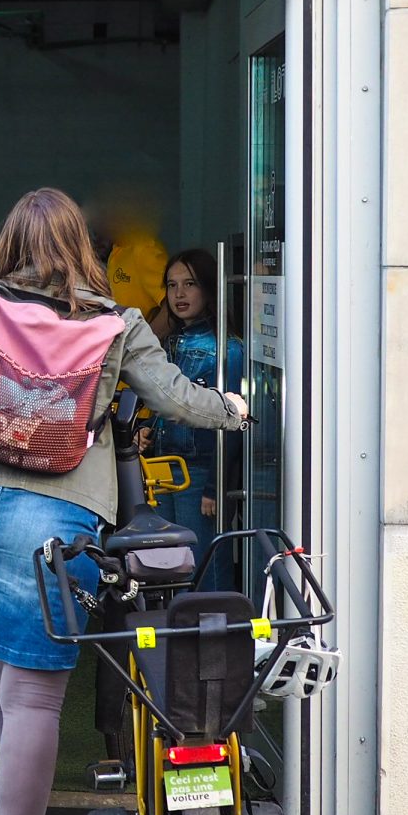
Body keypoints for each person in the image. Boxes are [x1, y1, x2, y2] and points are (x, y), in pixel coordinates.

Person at [0, 188, 247, 815]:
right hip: (55, 522)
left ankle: (13, 807)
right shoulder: (117, 324)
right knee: (36, 701)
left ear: (11, 243)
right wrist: (238, 409)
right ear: (82, 249)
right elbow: (178, 398)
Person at [141, 249, 245, 581]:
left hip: (199, 473)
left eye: (190, 284)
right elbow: (170, 402)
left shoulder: (227, 349)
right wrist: (147, 427)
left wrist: (216, 486)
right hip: (163, 469)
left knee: (203, 570)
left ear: (210, 289)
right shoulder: (171, 343)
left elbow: (233, 422)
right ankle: (183, 632)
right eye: (171, 285)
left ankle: (213, 634)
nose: (179, 294)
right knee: (173, 572)